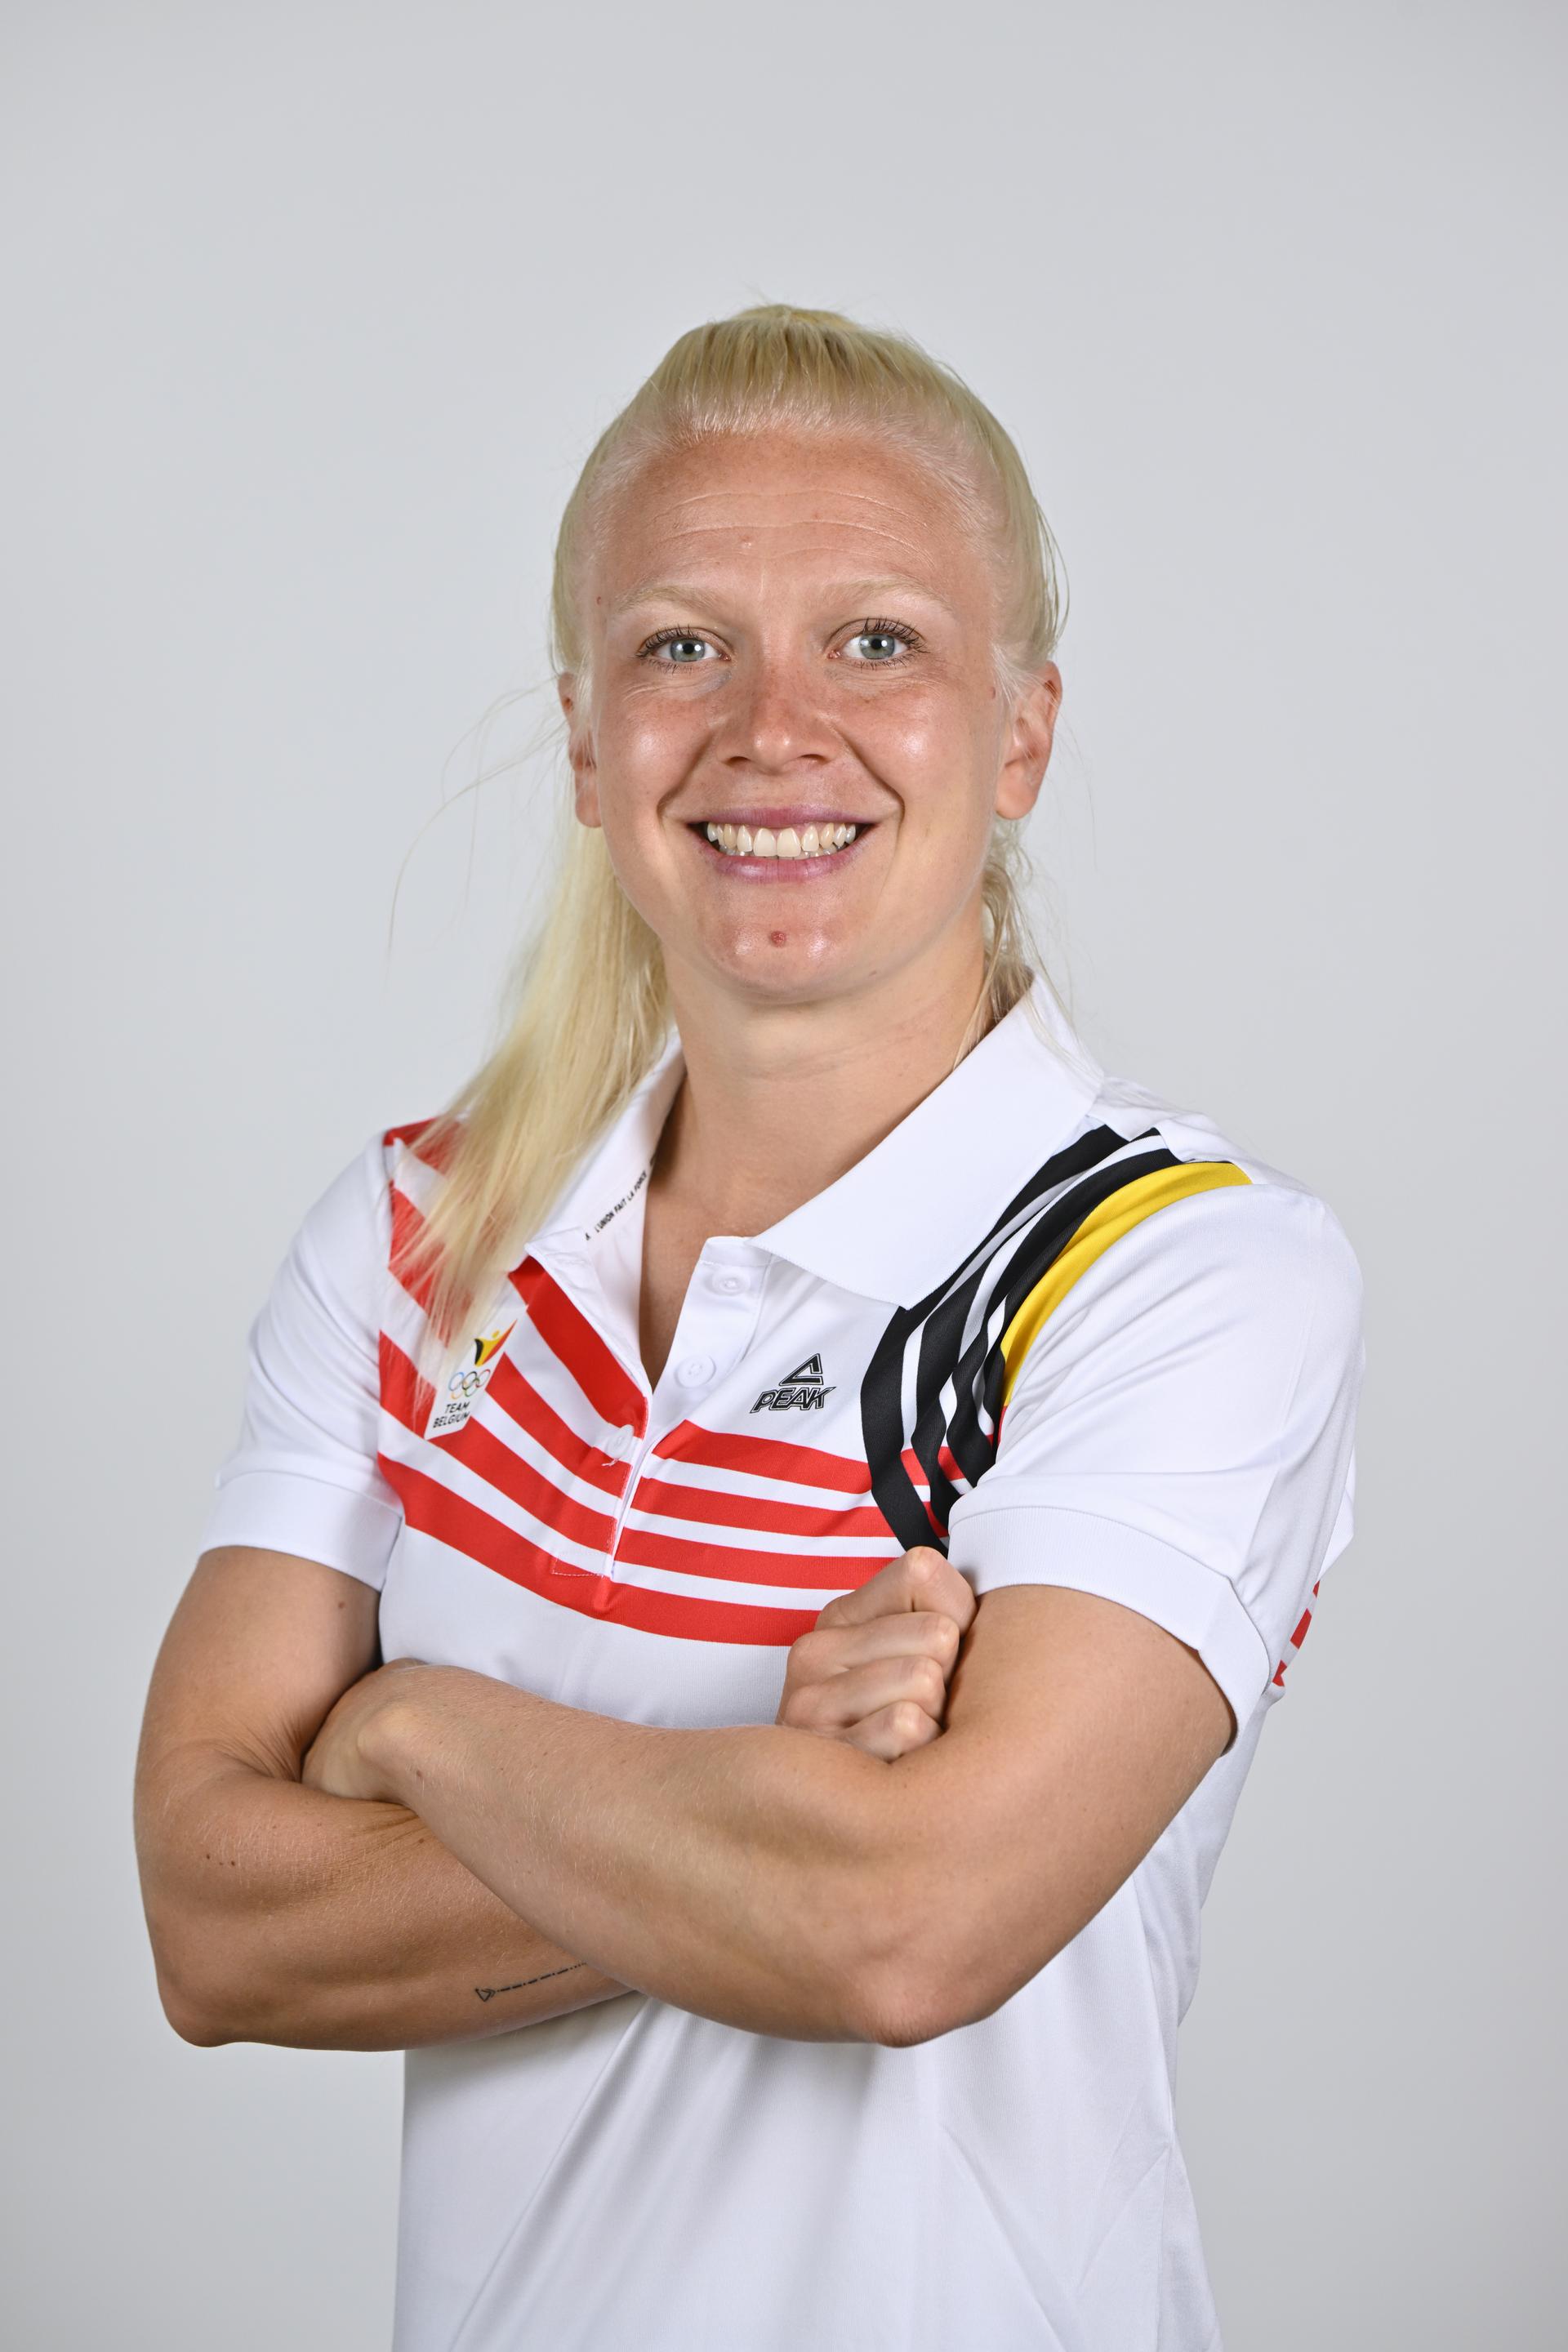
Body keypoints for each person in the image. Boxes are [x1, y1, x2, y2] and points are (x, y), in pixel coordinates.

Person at [133, 305, 1364, 2351]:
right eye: (682, 643)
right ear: (589, 741)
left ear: (1021, 732)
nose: (772, 728)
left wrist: (406, 1733)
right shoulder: (417, 1241)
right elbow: (211, 1931)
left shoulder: (1181, 1276)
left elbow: (900, 1929)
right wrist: (759, 1792)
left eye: (878, 641)